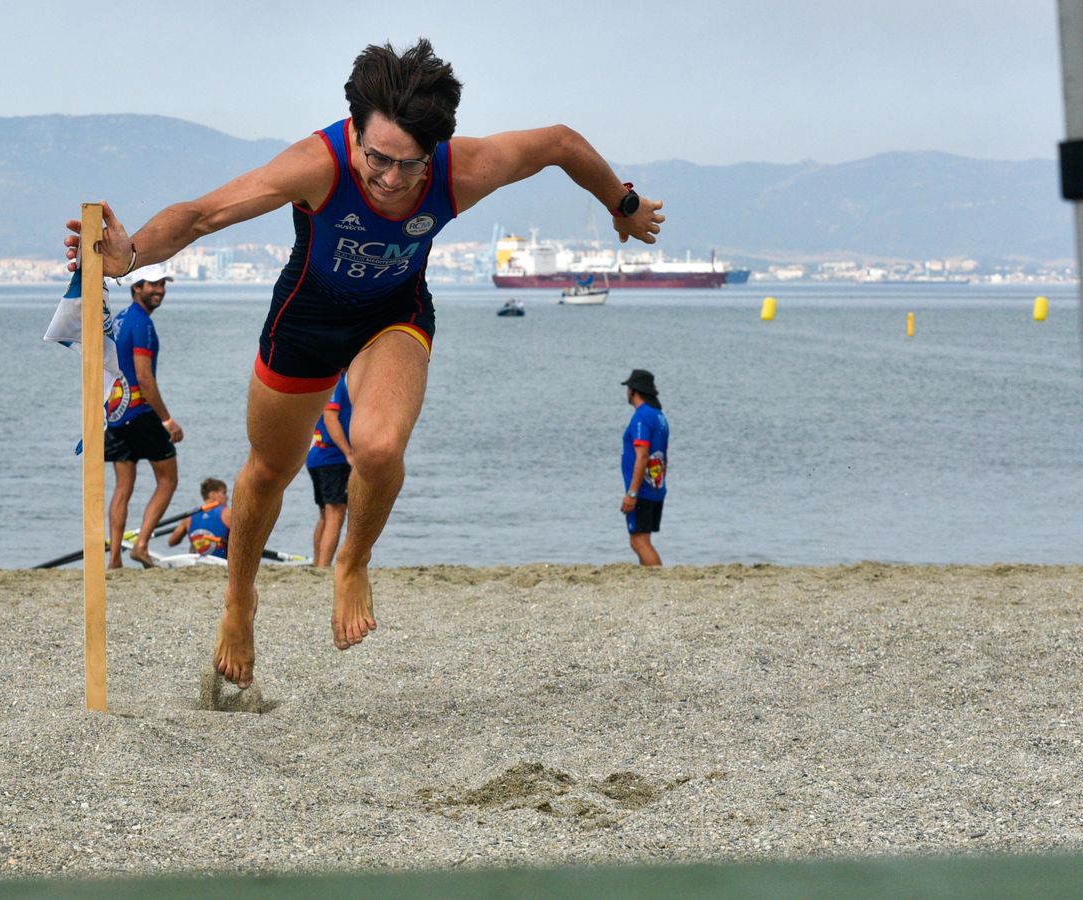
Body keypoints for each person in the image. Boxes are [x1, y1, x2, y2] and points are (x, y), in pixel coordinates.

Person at [66, 39, 665, 687]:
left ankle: (351, 563)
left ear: (433, 153)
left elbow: (560, 143)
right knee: (269, 471)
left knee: (378, 449)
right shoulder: (317, 164)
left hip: (394, 317)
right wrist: (131, 257)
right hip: (308, 319)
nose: (388, 178)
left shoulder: (460, 170)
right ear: (353, 132)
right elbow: (201, 215)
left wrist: (623, 204)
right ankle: (240, 600)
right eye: (377, 158)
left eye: (408, 166)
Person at [103, 263, 182, 569]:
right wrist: (167, 420)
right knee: (168, 479)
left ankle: (114, 560)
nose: (159, 289)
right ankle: (142, 544)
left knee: (123, 487)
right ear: (137, 288)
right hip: (140, 412)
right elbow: (144, 377)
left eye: (162, 284)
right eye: (152, 284)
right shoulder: (142, 325)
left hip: (116, 412)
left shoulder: (120, 320)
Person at [620, 369, 669, 567]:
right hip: (656, 486)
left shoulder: (641, 417)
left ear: (633, 391)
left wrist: (632, 493)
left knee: (639, 541)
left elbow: (642, 455)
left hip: (643, 489)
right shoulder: (659, 416)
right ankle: (649, 582)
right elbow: (664, 455)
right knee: (642, 539)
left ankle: (659, 582)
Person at [305, 375, 354, 567]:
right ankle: (324, 566)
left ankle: (318, 563)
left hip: (318, 455)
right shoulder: (337, 382)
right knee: (336, 513)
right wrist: (348, 452)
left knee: (326, 514)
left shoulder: (326, 379)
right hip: (331, 456)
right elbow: (330, 417)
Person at [169, 478, 232, 560]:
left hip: (198, 562)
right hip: (222, 562)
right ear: (212, 494)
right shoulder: (227, 513)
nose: (227, 497)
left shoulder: (190, 517)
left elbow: (172, 542)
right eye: (224, 493)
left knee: (193, 545)